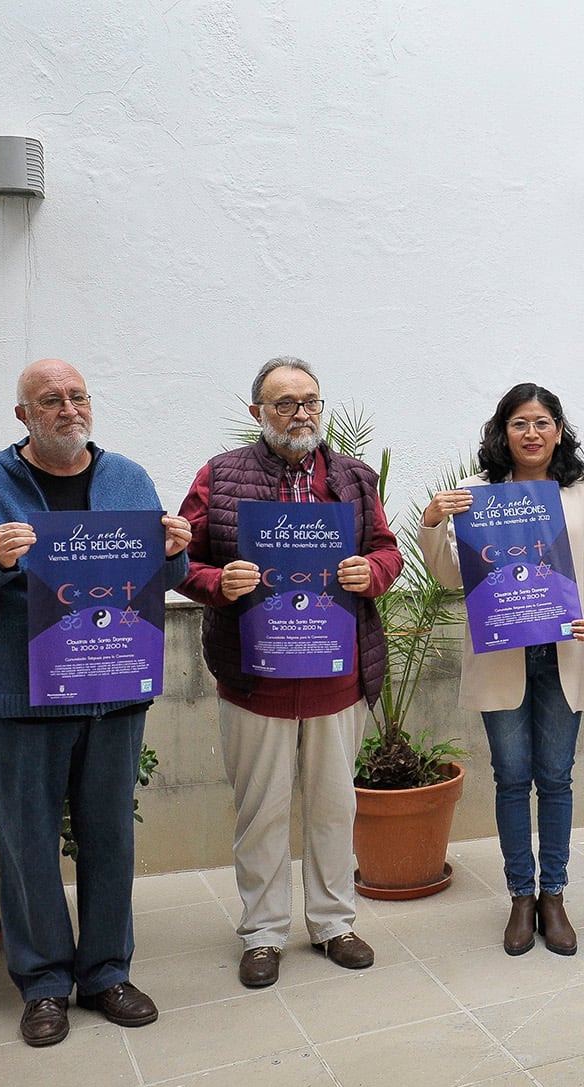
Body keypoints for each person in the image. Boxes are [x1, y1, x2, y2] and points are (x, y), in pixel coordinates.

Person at [0, 359, 191, 1047]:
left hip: (113, 689)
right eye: (49, 400)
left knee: (110, 836)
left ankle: (105, 973)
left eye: (76, 396)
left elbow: (157, 572)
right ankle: (43, 984)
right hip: (22, 698)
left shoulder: (127, 476)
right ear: (24, 416)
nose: (67, 409)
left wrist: (177, 554)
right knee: (28, 843)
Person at [177, 356, 402, 988]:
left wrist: (373, 573)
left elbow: (387, 550)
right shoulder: (219, 477)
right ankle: (264, 932)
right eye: (284, 403)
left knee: (334, 808)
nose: (301, 414)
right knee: (262, 812)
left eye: (310, 401)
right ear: (258, 414)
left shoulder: (354, 479)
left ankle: (334, 924)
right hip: (255, 680)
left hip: (339, 676)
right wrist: (219, 581)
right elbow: (179, 561)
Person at [418, 383, 584, 956]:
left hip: (567, 651)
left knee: (555, 778)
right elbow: (451, 578)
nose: (531, 433)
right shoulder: (477, 495)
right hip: (502, 653)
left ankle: (553, 896)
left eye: (542, 422)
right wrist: (434, 522)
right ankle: (520, 898)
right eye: (519, 423)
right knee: (512, 779)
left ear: (559, 429)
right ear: (502, 432)